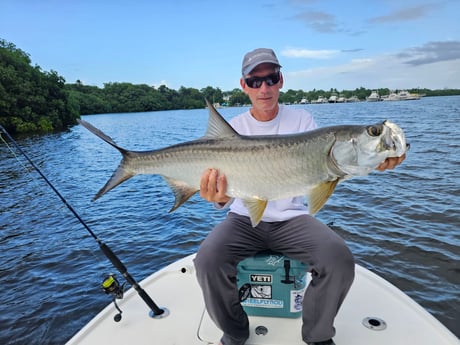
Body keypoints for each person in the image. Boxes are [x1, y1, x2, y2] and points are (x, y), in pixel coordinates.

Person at [194, 48, 405, 345]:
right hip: (242, 219)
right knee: (207, 261)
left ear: (281, 80)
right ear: (244, 86)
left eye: (271, 78)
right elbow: (223, 199)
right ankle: (234, 331)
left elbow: (330, 169)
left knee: (338, 259)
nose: (264, 88)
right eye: (255, 82)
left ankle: (317, 336)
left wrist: (377, 157)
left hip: (291, 220)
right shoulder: (235, 128)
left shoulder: (302, 120)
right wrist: (215, 196)